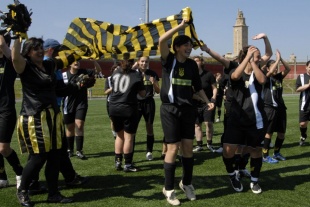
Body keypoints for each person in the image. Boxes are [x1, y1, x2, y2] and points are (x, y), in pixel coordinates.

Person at [12, 37, 75, 206]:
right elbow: (14, 57)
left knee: (55, 156)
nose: (40, 51)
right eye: (35, 49)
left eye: (41, 47)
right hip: (35, 117)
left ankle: (53, 193)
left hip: (53, 116)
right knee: (38, 157)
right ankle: (23, 190)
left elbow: (68, 60)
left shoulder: (49, 65)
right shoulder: (25, 66)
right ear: (28, 52)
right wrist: (18, 36)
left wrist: (91, 49)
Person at [159, 19, 214, 206]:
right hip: (170, 110)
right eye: (185, 45)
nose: (189, 48)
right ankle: (168, 188)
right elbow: (161, 40)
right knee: (173, 148)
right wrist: (181, 27)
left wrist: (208, 102)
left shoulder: (191, 65)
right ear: (176, 47)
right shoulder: (169, 60)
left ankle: (187, 183)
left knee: (188, 149)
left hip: (188, 110)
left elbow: (197, 88)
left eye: (190, 45)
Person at [220, 32, 272, 194]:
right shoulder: (237, 69)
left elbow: (263, 79)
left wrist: (264, 38)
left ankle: (255, 181)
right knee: (228, 150)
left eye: (257, 56)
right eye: (255, 56)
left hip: (256, 120)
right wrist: (247, 59)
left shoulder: (258, 68)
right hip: (236, 119)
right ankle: (232, 174)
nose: (258, 58)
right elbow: (235, 76)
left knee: (256, 150)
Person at [109, 59, 146, 172]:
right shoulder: (136, 74)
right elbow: (143, 94)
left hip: (114, 107)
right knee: (128, 137)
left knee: (119, 135)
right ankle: (128, 164)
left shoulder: (116, 72)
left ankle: (118, 161)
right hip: (128, 107)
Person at [63, 60, 100, 159]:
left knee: (79, 125)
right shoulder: (64, 75)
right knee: (70, 127)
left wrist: (94, 61)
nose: (76, 62)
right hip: (68, 104)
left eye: (78, 61)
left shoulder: (84, 71)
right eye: (74, 61)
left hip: (81, 103)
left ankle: (79, 150)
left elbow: (98, 71)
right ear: (69, 63)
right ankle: (69, 149)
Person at [0, 33, 23, 189]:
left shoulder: (10, 60)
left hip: (5, 109)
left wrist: (18, 34)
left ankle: (20, 172)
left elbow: (3, 46)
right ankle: (2, 177)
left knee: (3, 148)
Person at [262, 49, 291, 163]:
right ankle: (265, 156)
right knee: (269, 133)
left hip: (281, 108)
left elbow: (288, 69)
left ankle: (276, 152)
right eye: (273, 66)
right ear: (268, 68)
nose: (276, 68)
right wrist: (277, 60)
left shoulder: (279, 77)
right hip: (269, 108)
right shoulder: (266, 77)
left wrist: (281, 58)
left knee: (281, 133)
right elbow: (269, 74)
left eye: (276, 66)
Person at [133, 56, 160, 161]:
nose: (144, 63)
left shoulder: (153, 74)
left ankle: (149, 151)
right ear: (138, 62)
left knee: (149, 126)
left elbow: (158, 91)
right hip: (136, 103)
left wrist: (154, 83)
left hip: (149, 103)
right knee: (133, 128)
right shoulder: (134, 73)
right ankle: (130, 150)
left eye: (146, 62)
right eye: (142, 61)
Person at [192, 55, 217, 153]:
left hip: (208, 103)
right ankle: (199, 145)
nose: (195, 62)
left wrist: (213, 98)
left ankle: (209, 144)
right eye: (193, 61)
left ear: (201, 62)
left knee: (208, 123)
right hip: (195, 103)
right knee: (197, 124)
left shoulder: (208, 75)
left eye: (197, 61)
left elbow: (214, 88)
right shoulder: (191, 76)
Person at [296, 60, 310, 146]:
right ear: (306, 67)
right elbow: (297, 89)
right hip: (304, 105)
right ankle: (303, 135)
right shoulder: (301, 76)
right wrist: (308, 85)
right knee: (302, 124)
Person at [104, 63, 120, 139]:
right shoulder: (109, 79)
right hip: (111, 102)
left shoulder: (124, 79)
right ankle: (115, 134)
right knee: (113, 120)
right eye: (115, 70)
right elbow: (106, 92)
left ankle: (121, 135)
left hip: (121, 102)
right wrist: (113, 88)